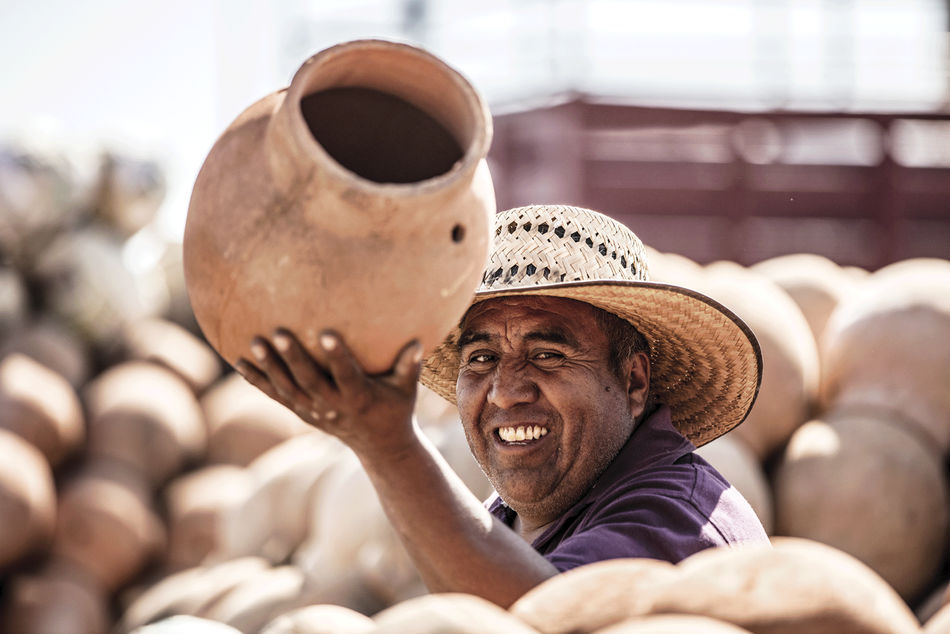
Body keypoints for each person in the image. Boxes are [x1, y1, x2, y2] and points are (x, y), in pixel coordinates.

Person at [237, 204, 769, 608]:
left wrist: (388, 448)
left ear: (632, 381)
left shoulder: (675, 516)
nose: (505, 390)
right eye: (483, 357)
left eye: (547, 354)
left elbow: (538, 620)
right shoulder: (520, 514)